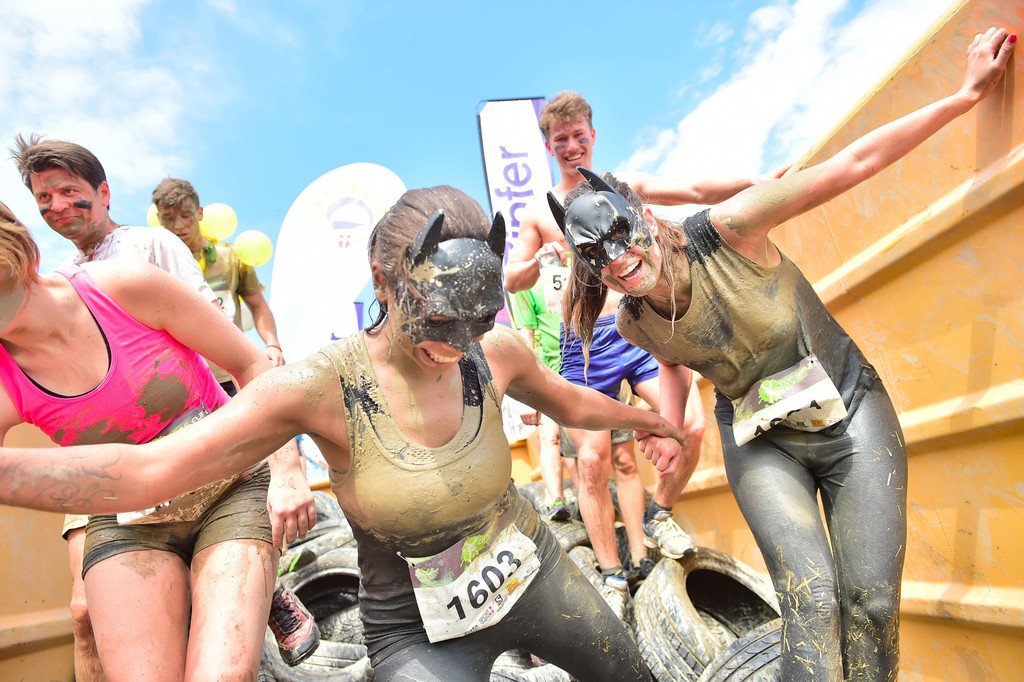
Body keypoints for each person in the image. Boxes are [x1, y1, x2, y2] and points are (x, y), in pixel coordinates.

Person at [0, 186, 688, 681]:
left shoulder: (495, 351)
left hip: (532, 574)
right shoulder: (320, 386)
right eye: (439, 321)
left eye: (475, 320)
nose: (458, 345)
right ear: (383, 281)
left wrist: (649, 420)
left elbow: (571, 402)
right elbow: (147, 473)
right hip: (419, 633)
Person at [553, 29, 1015, 681]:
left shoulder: (731, 228)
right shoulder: (632, 323)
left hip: (849, 407)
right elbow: (678, 358)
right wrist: (672, 428)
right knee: (811, 602)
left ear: (646, 218)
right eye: (598, 257)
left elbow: (854, 163)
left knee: (870, 604)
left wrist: (963, 97)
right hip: (759, 438)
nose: (620, 261)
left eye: (623, 237)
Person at [10, 134, 319, 672]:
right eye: (44, 199)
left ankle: (266, 591)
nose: (57, 206)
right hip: (113, 467)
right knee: (84, 611)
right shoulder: (45, 289)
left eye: (67, 191)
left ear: (103, 193)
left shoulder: (146, 252)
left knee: (222, 621)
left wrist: (270, 449)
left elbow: (219, 338)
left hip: (196, 426)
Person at [505, 91, 772, 587]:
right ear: (548, 146)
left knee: (689, 426)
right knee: (593, 462)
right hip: (584, 342)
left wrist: (758, 183)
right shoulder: (541, 214)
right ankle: (612, 573)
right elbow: (513, 278)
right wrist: (537, 261)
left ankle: (659, 513)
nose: (571, 147)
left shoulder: (621, 186)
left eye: (578, 136)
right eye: (561, 140)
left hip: (637, 324)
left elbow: (693, 188)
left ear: (593, 136)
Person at [151, 177, 286, 393]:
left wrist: (273, 344)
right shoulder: (154, 264)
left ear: (200, 213)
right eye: (169, 218)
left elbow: (258, 304)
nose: (178, 225)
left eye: (186, 215)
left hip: (233, 371)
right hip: (184, 379)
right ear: (159, 219)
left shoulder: (231, 256)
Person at [507, 284, 577, 521]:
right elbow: (526, 338)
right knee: (550, 437)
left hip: (579, 368)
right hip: (547, 374)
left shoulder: (573, 269)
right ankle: (556, 499)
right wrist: (529, 394)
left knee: (575, 444)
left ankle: (581, 496)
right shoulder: (524, 285)